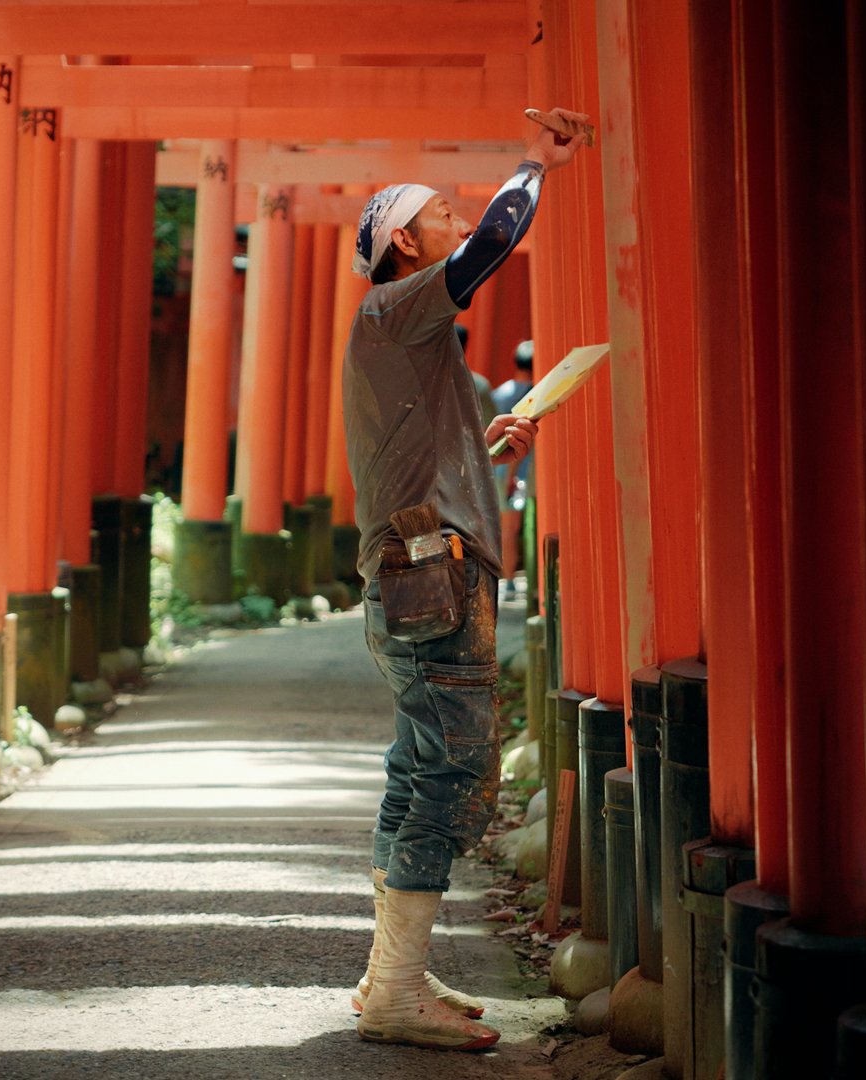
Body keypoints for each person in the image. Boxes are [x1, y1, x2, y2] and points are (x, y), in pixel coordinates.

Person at [343, 106, 590, 1051]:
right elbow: (493, 243)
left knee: (419, 772)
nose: (455, 221)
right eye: (438, 212)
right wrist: (538, 163)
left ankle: (388, 978)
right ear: (405, 242)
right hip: (433, 584)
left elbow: (415, 460)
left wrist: (490, 448)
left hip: (417, 574)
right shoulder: (395, 304)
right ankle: (398, 987)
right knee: (459, 776)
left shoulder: (406, 338)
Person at [492, 341, 538, 592]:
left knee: (505, 527)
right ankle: (512, 579)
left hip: (498, 466)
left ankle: (507, 578)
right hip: (520, 468)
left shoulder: (499, 393)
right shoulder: (534, 393)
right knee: (515, 527)